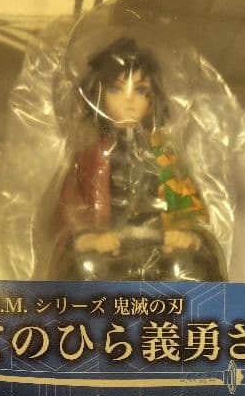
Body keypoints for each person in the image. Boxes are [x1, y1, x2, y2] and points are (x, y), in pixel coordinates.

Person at [51, 37, 226, 282]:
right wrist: (89, 240)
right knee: (85, 269)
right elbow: (67, 216)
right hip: (110, 255)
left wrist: (184, 234)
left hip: (161, 253)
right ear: (99, 96)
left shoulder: (166, 158)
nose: (129, 101)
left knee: (193, 267)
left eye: (141, 90)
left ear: (153, 99)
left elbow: (191, 211)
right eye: (116, 89)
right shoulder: (88, 160)